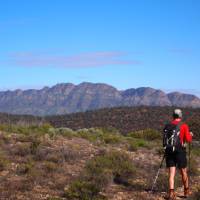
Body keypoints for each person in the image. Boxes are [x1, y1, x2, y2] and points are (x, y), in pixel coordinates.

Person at [165, 109, 193, 200]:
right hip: (180, 151)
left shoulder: (167, 126)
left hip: (169, 151)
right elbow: (188, 139)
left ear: (173, 116)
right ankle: (186, 191)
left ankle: (171, 193)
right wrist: (190, 135)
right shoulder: (183, 126)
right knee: (183, 171)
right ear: (180, 116)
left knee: (171, 173)